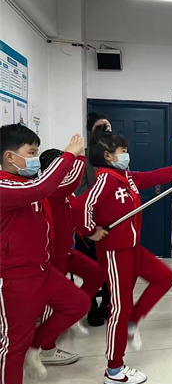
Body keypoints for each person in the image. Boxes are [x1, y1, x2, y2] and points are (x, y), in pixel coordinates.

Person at [78, 129, 172, 384]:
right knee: (119, 307)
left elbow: (156, 176)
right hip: (114, 252)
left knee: (164, 277)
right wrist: (91, 231)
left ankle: (133, 321)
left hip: (132, 248)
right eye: (122, 150)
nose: (127, 154)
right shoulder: (105, 179)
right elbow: (82, 206)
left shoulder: (125, 177)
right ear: (108, 156)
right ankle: (114, 369)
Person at [0, 125, 89, 384]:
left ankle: (36, 345)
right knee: (13, 345)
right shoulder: (4, 186)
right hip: (15, 278)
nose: (35, 159)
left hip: (43, 270)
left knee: (78, 303)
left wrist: (77, 157)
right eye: (31, 153)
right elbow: (43, 187)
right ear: (10, 156)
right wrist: (69, 155)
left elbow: (52, 186)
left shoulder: (27, 183)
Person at [38, 149, 105, 362]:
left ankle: (71, 314)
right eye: (64, 168)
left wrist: (90, 230)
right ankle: (46, 349)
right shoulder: (50, 190)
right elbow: (73, 182)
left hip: (68, 251)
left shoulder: (66, 193)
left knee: (96, 274)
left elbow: (76, 211)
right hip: (53, 256)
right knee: (51, 302)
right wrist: (79, 155)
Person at [75, 112, 112, 327]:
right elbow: (79, 193)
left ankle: (108, 303)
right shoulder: (84, 158)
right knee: (91, 270)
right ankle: (90, 307)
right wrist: (90, 224)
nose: (104, 132)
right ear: (89, 131)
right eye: (100, 128)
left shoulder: (114, 157)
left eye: (107, 128)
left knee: (108, 269)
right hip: (89, 225)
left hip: (111, 225)